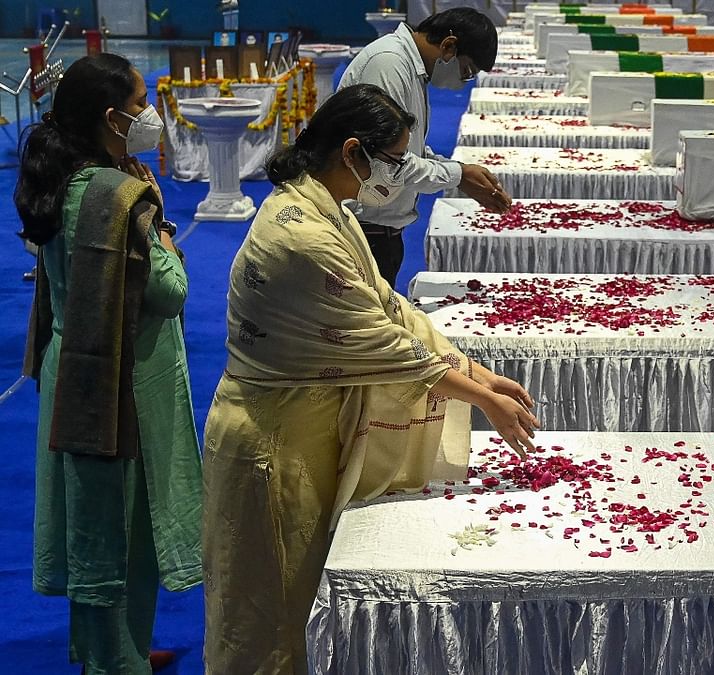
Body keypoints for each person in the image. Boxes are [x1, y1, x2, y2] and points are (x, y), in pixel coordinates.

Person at [202, 83, 540, 673]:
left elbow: (388, 306)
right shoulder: (301, 235)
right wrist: (481, 400)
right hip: (271, 443)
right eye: (389, 161)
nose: (395, 173)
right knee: (266, 620)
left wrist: (477, 371)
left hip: (307, 430)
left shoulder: (327, 209)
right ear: (352, 151)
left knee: (301, 602)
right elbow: (385, 344)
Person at [16, 53, 202, 674]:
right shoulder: (116, 195)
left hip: (73, 369)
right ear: (110, 117)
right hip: (118, 383)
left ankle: (114, 648)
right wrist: (167, 235)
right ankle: (111, 663)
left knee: (102, 527)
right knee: (116, 533)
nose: (148, 115)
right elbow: (170, 293)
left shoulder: (65, 179)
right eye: (139, 104)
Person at [338, 7, 512, 286]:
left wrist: (459, 171)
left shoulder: (412, 68)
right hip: (360, 229)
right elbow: (385, 162)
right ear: (449, 46)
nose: (461, 83)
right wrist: (457, 175)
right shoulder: (389, 64)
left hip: (381, 228)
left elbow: (411, 151)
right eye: (466, 71)